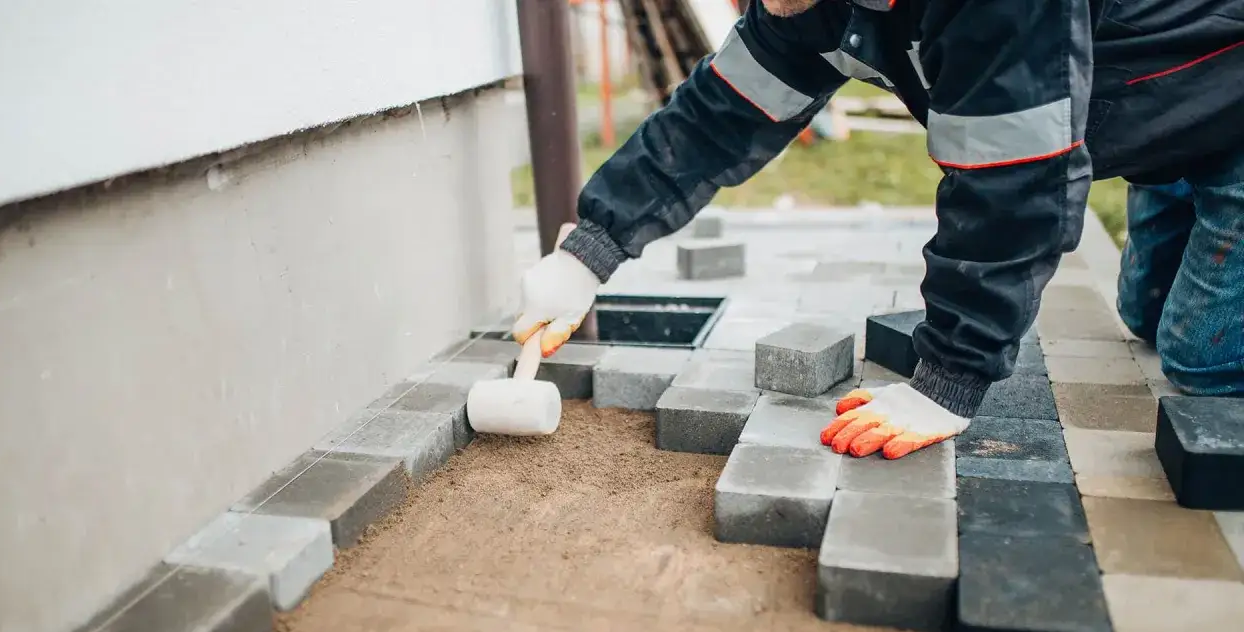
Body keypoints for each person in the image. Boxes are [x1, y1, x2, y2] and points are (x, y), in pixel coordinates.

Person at [512, 0, 1244, 460]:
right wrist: (590, 250)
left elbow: (1013, 187)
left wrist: (950, 379)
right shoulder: (806, 7)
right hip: (1167, 110)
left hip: (1229, 92)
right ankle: (1183, 168)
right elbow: (717, 116)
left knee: (1199, 361)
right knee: (1144, 314)